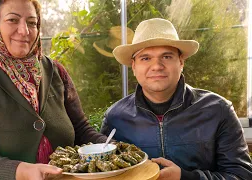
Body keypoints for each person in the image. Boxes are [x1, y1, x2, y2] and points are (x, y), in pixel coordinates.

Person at [0, 0, 109, 179]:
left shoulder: (55, 72)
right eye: (13, 20)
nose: (24, 31)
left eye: (32, 23)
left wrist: (115, 148)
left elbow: (81, 130)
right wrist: (22, 171)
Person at [100, 18, 252, 180]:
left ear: (181, 62)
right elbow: (102, 173)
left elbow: (241, 176)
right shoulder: (115, 118)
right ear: (134, 66)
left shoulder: (218, 110)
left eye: (166, 56)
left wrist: (186, 177)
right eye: (145, 58)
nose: (157, 65)